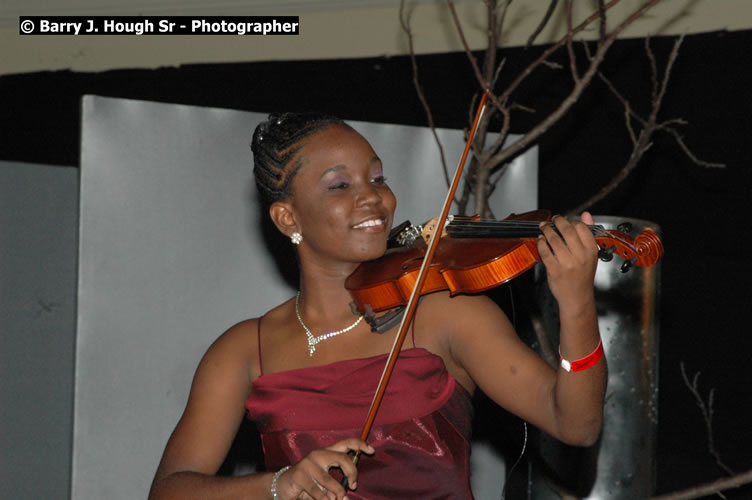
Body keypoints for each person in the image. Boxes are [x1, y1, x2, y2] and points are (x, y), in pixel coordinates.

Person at [149, 112, 607, 500]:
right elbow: (169, 489)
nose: (372, 196)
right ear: (288, 218)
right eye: (340, 185)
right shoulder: (244, 350)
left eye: (377, 177)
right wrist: (278, 485)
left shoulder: (447, 316)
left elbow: (576, 423)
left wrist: (576, 306)